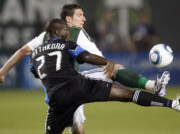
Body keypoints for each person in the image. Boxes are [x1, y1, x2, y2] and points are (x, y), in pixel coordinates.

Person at [0, 3, 170, 134]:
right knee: (115, 69)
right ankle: (154, 86)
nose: (84, 19)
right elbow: (99, 59)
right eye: (80, 15)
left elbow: (23, 51)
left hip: (54, 94)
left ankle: (154, 86)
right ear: (69, 20)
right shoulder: (77, 33)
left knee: (78, 129)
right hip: (75, 85)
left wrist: (2, 72)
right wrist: (107, 64)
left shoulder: (45, 35)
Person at [31, 18, 180, 134]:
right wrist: (105, 61)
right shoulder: (66, 44)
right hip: (79, 86)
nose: (68, 32)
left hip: (57, 98)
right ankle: (172, 104)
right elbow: (86, 57)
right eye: (64, 29)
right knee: (127, 94)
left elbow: (36, 72)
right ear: (57, 32)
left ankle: (157, 89)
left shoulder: (35, 54)